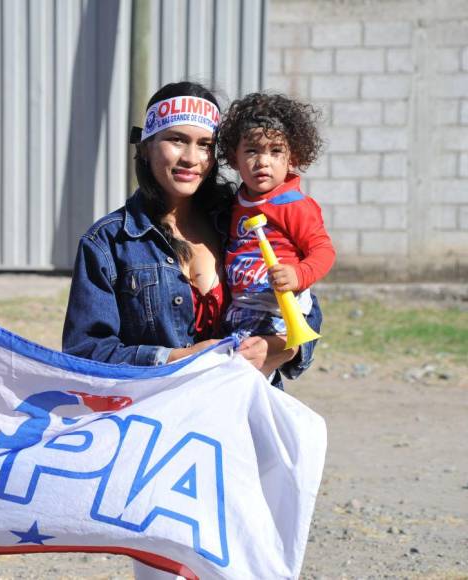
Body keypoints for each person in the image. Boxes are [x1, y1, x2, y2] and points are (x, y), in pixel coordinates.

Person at [61, 81, 322, 578]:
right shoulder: (108, 241)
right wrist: (177, 359)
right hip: (163, 447)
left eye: (205, 144)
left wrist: (274, 346)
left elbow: (306, 310)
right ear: (147, 145)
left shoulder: (245, 218)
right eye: (177, 139)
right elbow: (85, 351)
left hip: (246, 431)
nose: (191, 157)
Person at [218, 92, 335, 340]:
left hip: (277, 314)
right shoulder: (234, 203)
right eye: (251, 151)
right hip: (240, 309)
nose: (263, 161)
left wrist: (298, 275)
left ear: (293, 157)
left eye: (275, 151)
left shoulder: (294, 205)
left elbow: (324, 251)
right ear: (233, 157)